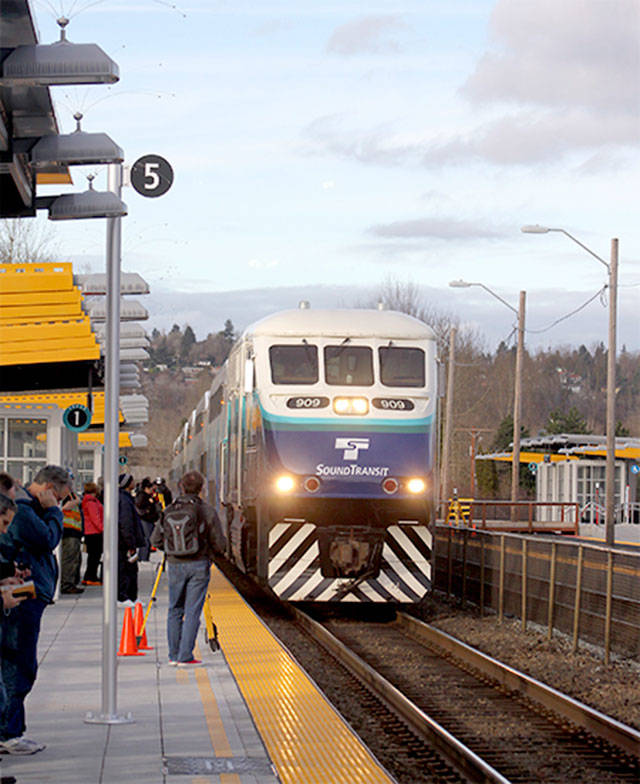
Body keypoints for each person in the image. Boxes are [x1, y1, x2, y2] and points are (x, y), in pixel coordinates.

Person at [0, 465, 71, 756]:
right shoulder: (25, 511)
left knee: (18, 664)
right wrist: (55, 512)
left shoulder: (28, 510)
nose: (61, 503)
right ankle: (9, 732)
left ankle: (12, 729)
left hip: (25, 594)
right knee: (18, 664)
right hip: (20, 597)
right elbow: (48, 539)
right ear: (49, 490)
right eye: (60, 497)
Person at [150, 470, 222, 667]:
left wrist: (173, 551)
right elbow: (220, 543)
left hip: (174, 565)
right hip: (199, 565)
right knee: (192, 611)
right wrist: (211, 554)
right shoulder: (206, 511)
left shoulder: (169, 510)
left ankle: (173, 656)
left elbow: (155, 540)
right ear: (202, 489)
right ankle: (185, 656)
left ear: (180, 487)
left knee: (174, 609)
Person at [117, 474, 145, 604]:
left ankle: (132, 596)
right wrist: (131, 544)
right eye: (132, 480)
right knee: (126, 571)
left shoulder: (126, 498)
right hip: (124, 544)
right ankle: (124, 597)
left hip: (125, 542)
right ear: (128, 483)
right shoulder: (124, 500)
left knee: (131, 570)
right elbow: (126, 523)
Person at [60, 492, 84, 595]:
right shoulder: (65, 495)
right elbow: (63, 508)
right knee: (69, 559)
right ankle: (67, 585)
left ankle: (70, 583)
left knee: (74, 559)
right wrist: (76, 502)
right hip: (69, 530)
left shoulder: (71, 494)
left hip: (74, 530)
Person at [81, 482, 103, 585]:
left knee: (93, 556)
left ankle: (89, 576)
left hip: (91, 531)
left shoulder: (89, 501)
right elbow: (95, 518)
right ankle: (91, 577)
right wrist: (103, 529)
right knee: (95, 555)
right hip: (94, 532)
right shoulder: (91, 502)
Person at [134, 478, 160, 562]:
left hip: (149, 520)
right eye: (150, 489)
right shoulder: (142, 496)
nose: (152, 491)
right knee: (147, 539)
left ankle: (143, 556)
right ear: (146, 488)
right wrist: (147, 510)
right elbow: (139, 507)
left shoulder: (148, 496)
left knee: (147, 539)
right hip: (145, 520)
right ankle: (143, 557)